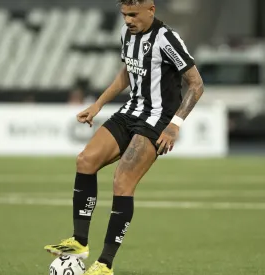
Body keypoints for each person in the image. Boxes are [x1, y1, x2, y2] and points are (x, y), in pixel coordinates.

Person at [44, 1, 205, 274]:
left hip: (157, 121)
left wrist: (175, 125)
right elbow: (127, 73)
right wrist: (98, 104)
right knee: (85, 161)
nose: (128, 20)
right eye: (124, 14)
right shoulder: (126, 34)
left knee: (122, 180)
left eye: (133, 14)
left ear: (150, 10)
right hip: (130, 112)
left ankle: (105, 263)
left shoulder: (167, 39)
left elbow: (196, 83)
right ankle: (79, 241)